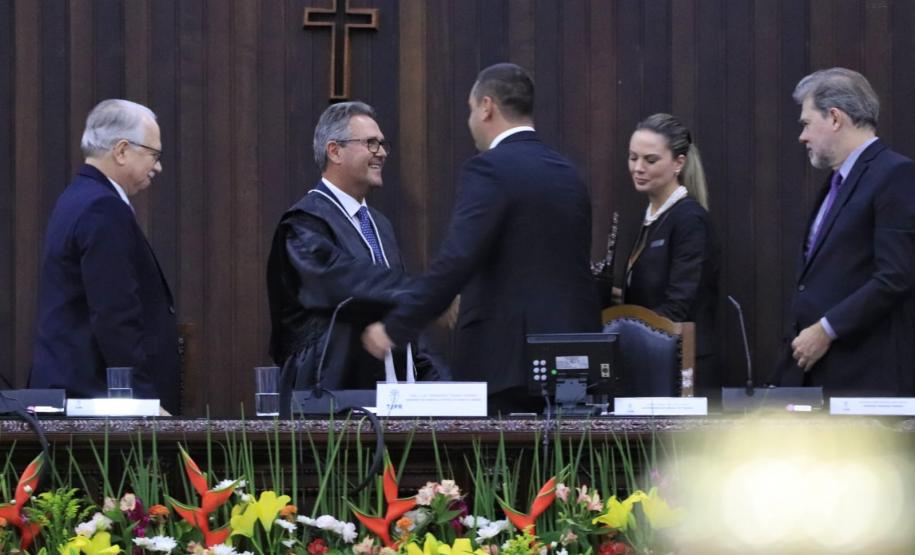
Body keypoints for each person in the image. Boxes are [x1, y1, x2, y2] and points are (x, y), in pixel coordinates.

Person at [362, 63, 600, 415]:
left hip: (505, 364)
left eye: (471, 109)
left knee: (503, 470)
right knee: (560, 470)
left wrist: (396, 326)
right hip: (574, 364)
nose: (471, 120)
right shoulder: (569, 174)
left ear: (486, 106)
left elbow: (458, 258)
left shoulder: (489, 168)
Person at [266, 101, 446, 408]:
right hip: (331, 405)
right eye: (371, 143)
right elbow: (341, 282)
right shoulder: (302, 224)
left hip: (395, 402)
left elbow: (396, 312)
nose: (382, 152)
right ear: (334, 151)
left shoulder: (379, 225)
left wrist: (441, 388)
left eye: (382, 143)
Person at [29, 99, 180, 414]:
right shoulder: (102, 207)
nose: (158, 166)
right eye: (154, 154)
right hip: (97, 402)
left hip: (76, 392)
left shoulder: (77, 198)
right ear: (122, 150)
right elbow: (115, 314)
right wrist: (144, 403)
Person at [775, 67, 915, 396]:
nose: (802, 136)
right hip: (820, 379)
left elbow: (896, 275)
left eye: (807, 123)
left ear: (835, 118)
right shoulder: (837, 182)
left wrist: (826, 330)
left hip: (865, 380)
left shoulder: (895, 175)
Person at [620, 113, 721, 396]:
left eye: (650, 160)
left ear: (679, 162)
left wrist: (625, 335)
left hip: (683, 369)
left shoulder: (689, 220)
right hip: (656, 362)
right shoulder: (653, 218)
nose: (637, 168)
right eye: (632, 157)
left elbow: (680, 304)